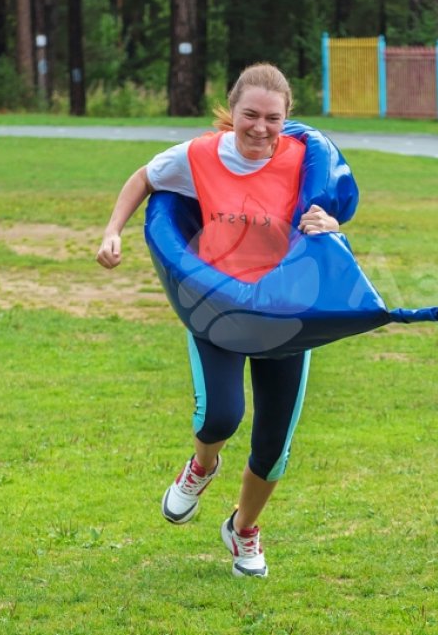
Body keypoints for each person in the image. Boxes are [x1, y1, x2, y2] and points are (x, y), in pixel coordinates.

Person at [96, 63, 342, 578]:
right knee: (221, 417)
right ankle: (201, 467)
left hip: (285, 311)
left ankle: (243, 528)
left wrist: (330, 222)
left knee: (273, 446)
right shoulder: (200, 154)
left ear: (287, 118)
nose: (260, 128)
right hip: (218, 306)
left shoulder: (303, 159)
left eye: (272, 118)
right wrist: (112, 231)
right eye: (249, 115)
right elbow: (144, 177)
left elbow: (329, 210)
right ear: (231, 113)